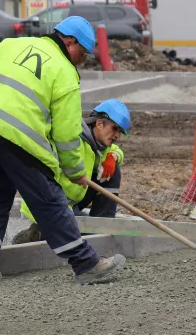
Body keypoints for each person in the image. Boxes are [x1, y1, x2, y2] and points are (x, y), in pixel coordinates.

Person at [0, 16, 126, 285]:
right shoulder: (65, 73)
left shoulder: (15, 44)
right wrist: (75, 171)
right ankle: (86, 264)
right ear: (69, 41)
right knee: (49, 201)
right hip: (19, 138)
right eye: (83, 52)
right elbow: (66, 134)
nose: (83, 59)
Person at [13, 99, 131, 244]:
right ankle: (37, 233)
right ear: (99, 123)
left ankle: (103, 225)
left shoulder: (97, 144)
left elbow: (116, 151)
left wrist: (113, 157)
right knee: (80, 235)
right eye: (115, 129)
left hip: (72, 202)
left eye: (120, 132)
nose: (117, 136)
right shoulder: (72, 140)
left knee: (113, 170)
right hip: (52, 203)